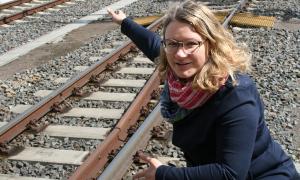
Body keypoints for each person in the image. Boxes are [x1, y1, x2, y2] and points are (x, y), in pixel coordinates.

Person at [107, 1, 300, 179]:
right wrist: (124, 22)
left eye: (191, 43)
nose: (180, 53)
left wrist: (164, 174)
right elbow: (151, 44)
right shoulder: (177, 73)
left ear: (211, 44)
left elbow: (231, 173)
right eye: (172, 43)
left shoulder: (235, 94)